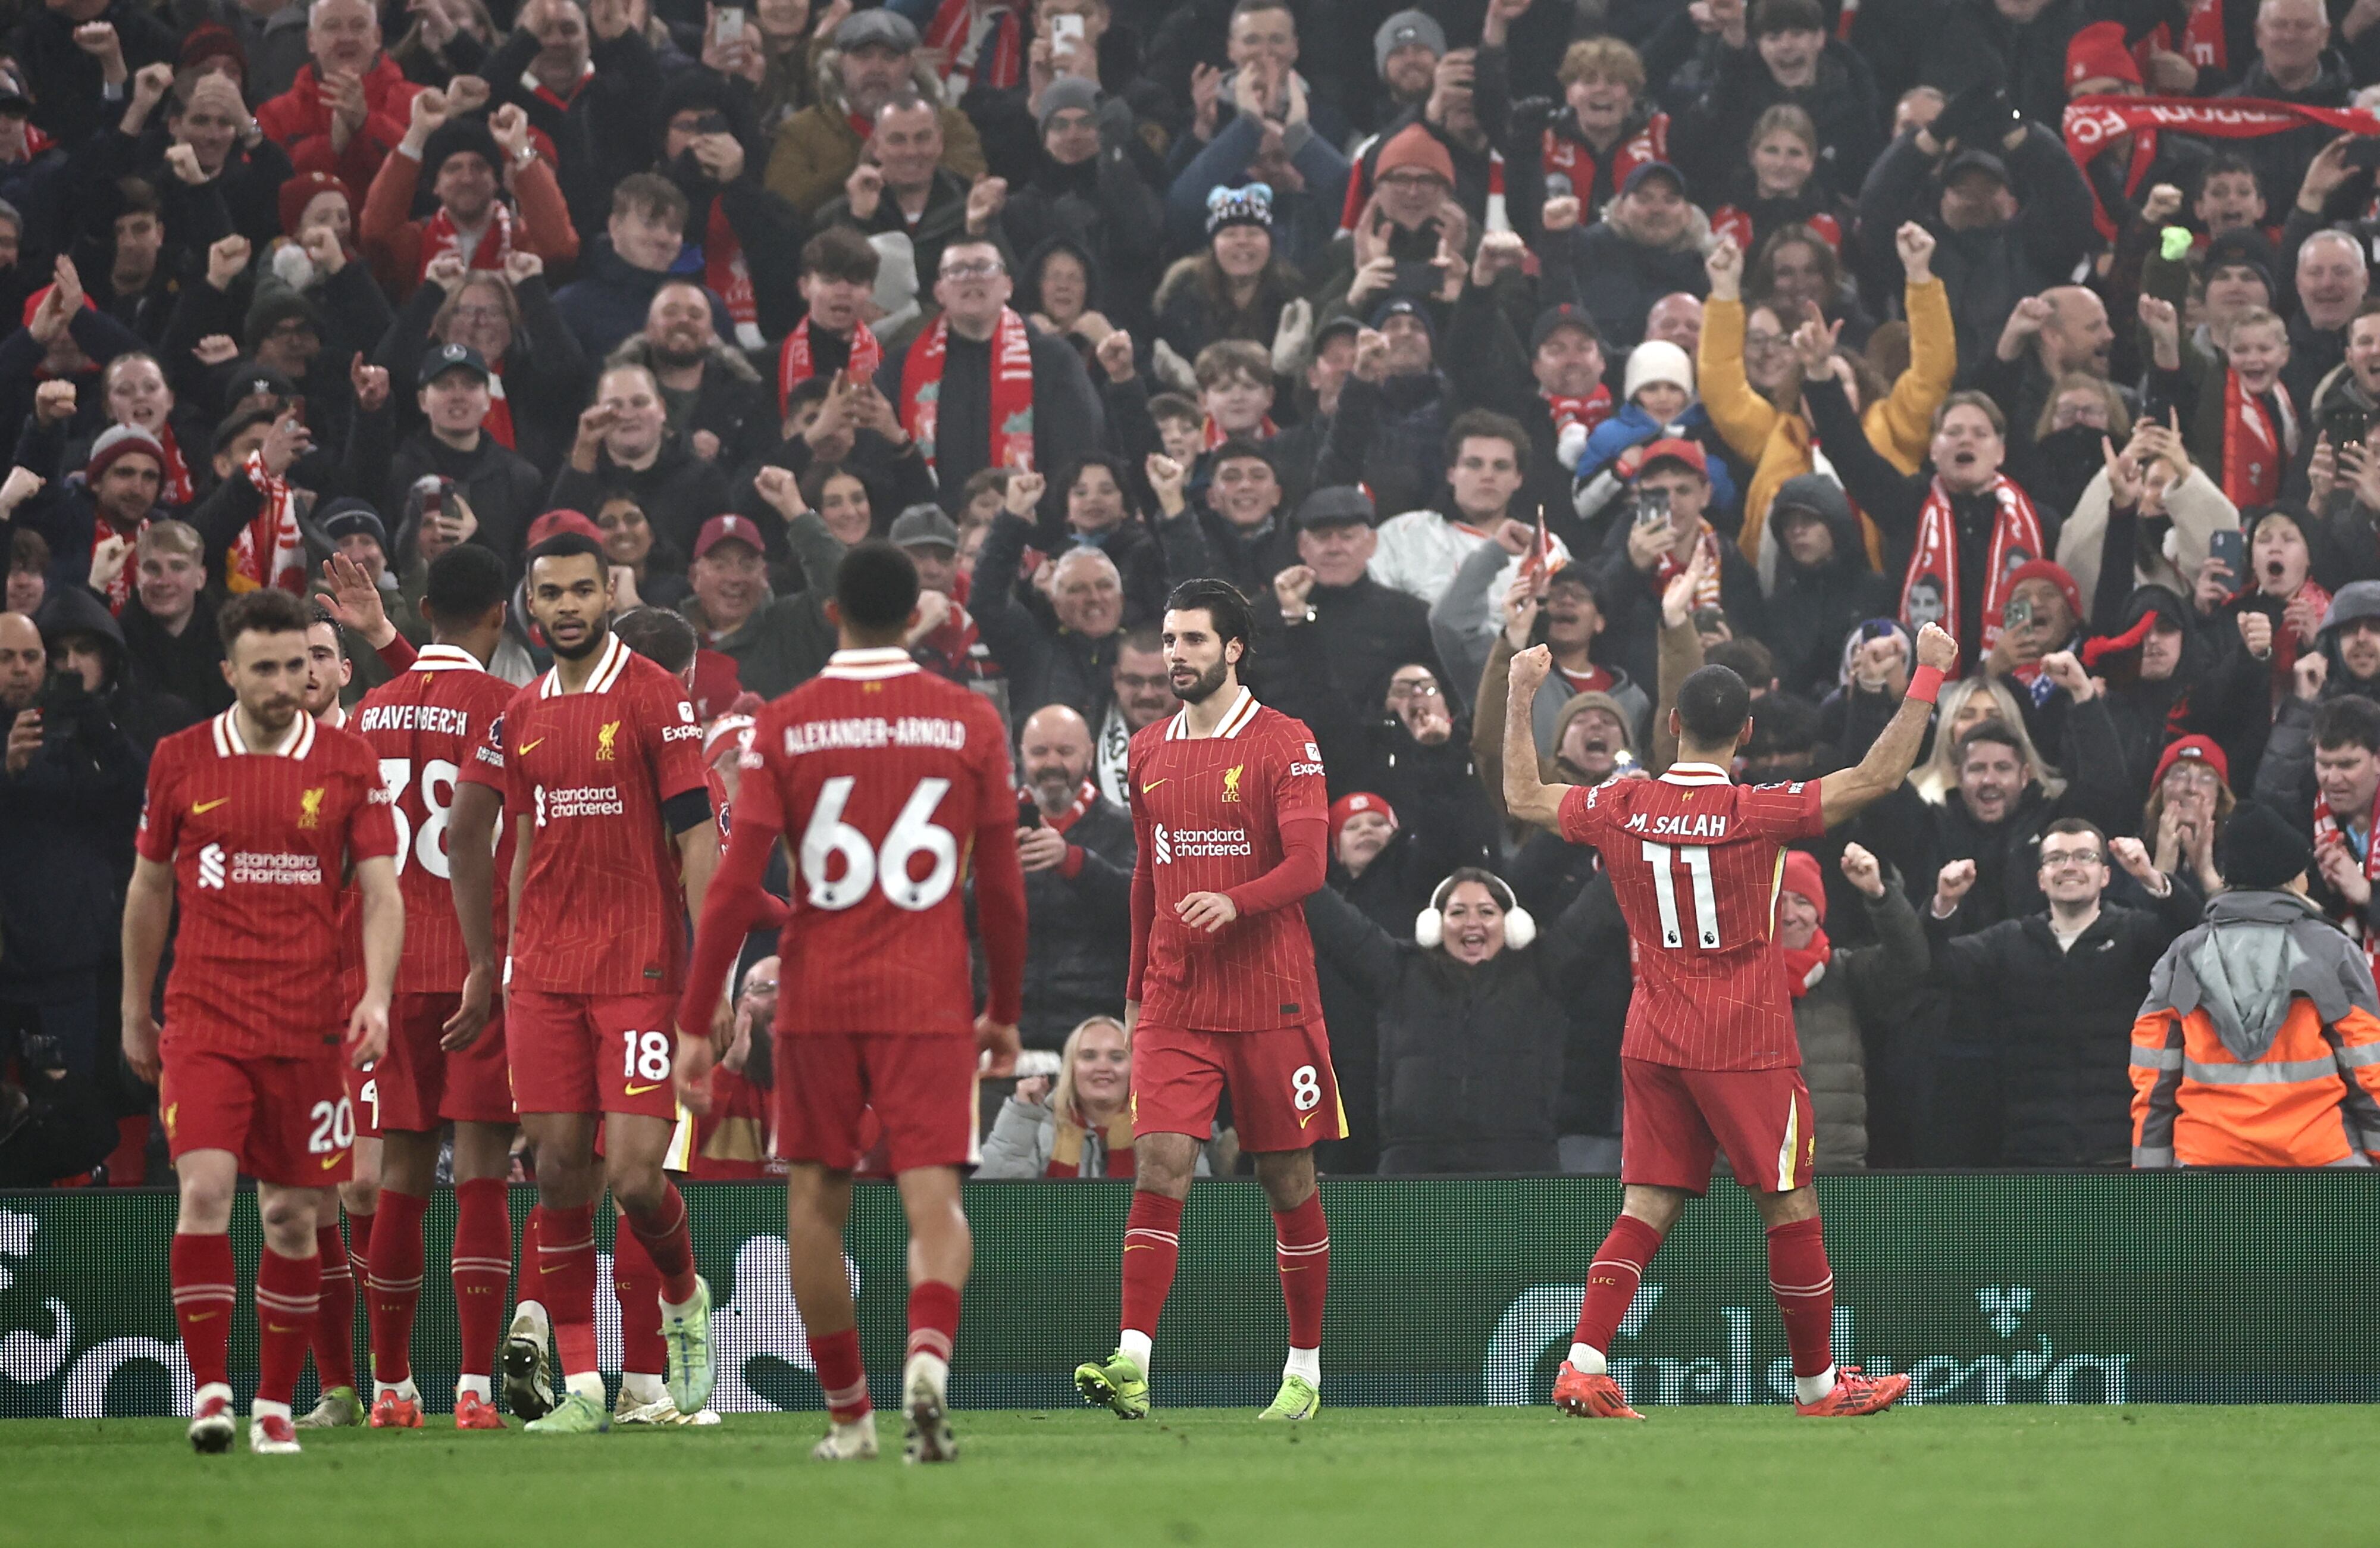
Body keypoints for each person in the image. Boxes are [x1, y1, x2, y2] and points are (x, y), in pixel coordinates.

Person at [1501, 617, 1963, 1421]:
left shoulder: (1621, 804)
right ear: (1745, 731)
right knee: (1790, 1203)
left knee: (1645, 1205)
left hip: (1651, 1034)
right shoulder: (1759, 811)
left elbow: (1520, 794)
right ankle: (1820, 1387)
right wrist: (1927, 676)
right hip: (1745, 1038)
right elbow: (1877, 776)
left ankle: (1581, 1361)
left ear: (1673, 725)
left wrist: (1518, 697)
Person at [677, 540, 1024, 1462]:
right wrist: (1006, 1011)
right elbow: (1002, 886)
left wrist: (692, 1018)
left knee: (815, 1209)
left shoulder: (784, 726)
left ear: (831, 613)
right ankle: (928, 1360)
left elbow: (731, 887)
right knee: (933, 1203)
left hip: (818, 995)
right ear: (918, 615)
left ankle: (849, 1418)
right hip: (929, 991)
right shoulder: (969, 721)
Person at [121, 587, 402, 1456]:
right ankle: (212, 1392)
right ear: (230, 672)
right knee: (204, 1190)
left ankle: (275, 1403)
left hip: (312, 1028)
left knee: (291, 1216)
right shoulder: (179, 758)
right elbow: (150, 886)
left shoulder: (349, 762)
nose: (286, 681)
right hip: (205, 1018)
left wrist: (377, 994)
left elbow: (384, 892)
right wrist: (136, 1004)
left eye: (297, 664)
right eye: (267, 667)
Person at [455, 530, 720, 1434]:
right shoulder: (520, 713)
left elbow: (697, 836)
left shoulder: (656, 698)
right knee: (561, 1171)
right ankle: (579, 1385)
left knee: (638, 1179)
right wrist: (498, 963)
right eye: (550, 594)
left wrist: (711, 971)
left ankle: (684, 1294)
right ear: (531, 606)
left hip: (641, 970)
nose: (565, 606)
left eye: (580, 590)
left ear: (607, 594)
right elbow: (515, 844)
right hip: (547, 977)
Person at [1073, 577, 1336, 1424]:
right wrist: (1133, 996)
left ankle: (1304, 1369)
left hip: (1272, 1000)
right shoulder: (1146, 750)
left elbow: (1308, 868)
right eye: (1168, 638)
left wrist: (1237, 899)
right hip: (1179, 999)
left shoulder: (1285, 742)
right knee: (1159, 1166)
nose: (1173, 655)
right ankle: (1134, 1361)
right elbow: (1148, 878)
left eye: (1191, 640)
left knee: (1287, 1180)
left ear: (1233, 649)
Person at [344, 545, 521, 1430]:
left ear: (422, 609)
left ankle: (389, 1388)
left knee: (402, 1179)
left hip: (390, 969)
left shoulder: (365, 713)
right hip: (477, 967)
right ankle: (476, 1391)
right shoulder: (510, 709)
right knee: (482, 1175)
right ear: (501, 613)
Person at [1927, 820, 2204, 1168]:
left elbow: (2196, 936)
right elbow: (1936, 966)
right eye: (2056, 858)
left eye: (2083, 857)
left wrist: (2150, 877)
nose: (2069, 866)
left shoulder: (2136, 933)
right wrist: (1944, 903)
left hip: (2121, 1149)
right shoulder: (2009, 941)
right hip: (2031, 1153)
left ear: (2105, 875)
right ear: (2041, 879)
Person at [1303, 865, 1606, 1175]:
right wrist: (1289, 861)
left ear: (1513, 924)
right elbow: (1334, 921)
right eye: (1458, 912)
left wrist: (1636, 843)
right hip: (1413, 1160)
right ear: (1435, 925)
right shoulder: (1398, 972)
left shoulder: (1544, 972)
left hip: (1521, 1157)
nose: (1472, 923)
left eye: (1487, 912)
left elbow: (1599, 911)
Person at [2132, 799, 2380, 1168]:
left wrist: (2151, 1176)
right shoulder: (2332, 951)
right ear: (2293, 878)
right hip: (2320, 1164)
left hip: (2207, 1162)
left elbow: (2154, 1080)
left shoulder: (2183, 955)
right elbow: (2369, 1071)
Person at [873, 236, 1106, 512]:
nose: (972, 278)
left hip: (1032, 534)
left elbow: (1077, 454)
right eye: (957, 271)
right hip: (933, 539)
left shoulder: (1054, 360)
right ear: (939, 292)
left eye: (984, 268)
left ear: (1007, 286)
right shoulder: (902, 365)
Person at [1015, 703, 1136, 1051]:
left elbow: (1141, 912)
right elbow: (959, 914)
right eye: (1040, 752)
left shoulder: (1124, 828)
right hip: (1009, 1028)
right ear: (1022, 755)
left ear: (1089, 755)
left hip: (1095, 1029)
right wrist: (999, 877)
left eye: (1065, 751)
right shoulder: (991, 829)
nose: (1052, 763)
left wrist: (1075, 862)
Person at [979, 1014, 1143, 1177]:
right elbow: (990, 1194)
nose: (1103, 1067)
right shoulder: (1037, 1122)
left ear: (1134, 1067)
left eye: (1116, 1058)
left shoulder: (1152, 1129)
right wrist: (1021, 1116)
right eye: (1089, 1056)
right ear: (1071, 1068)